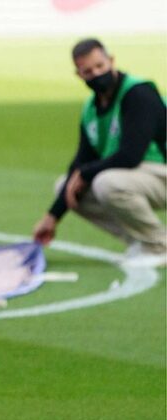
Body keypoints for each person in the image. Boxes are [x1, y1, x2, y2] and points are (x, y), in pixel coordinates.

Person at [32, 38, 167, 267]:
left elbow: (131, 155)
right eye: (88, 71)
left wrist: (86, 173)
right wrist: (52, 217)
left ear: (111, 61)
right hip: (144, 178)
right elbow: (81, 161)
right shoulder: (90, 110)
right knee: (66, 187)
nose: (96, 74)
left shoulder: (138, 94)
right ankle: (140, 241)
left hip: (158, 170)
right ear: (79, 75)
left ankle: (159, 245)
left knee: (106, 182)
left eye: (100, 67)